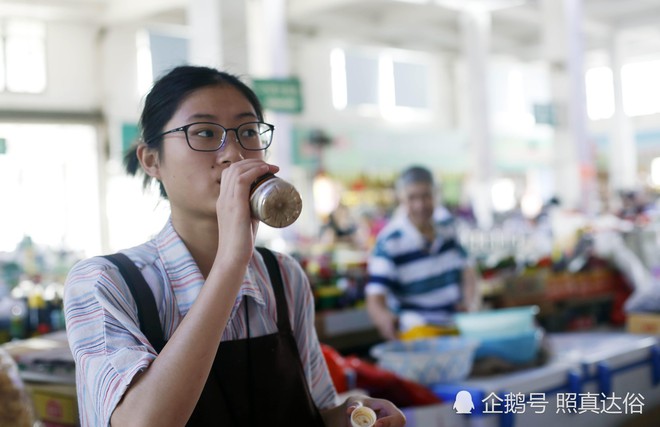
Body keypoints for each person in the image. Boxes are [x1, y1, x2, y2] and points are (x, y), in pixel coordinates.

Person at [63, 65, 406, 427]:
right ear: (152, 160)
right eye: (205, 132)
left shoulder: (283, 276)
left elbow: (315, 414)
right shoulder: (104, 283)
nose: (233, 154)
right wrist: (230, 262)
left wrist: (352, 418)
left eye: (247, 132)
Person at [365, 165, 478, 340]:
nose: (420, 205)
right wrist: (385, 320)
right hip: (417, 333)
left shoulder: (448, 228)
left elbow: (468, 272)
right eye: (412, 198)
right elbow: (375, 297)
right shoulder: (389, 241)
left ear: (436, 195)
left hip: (456, 327)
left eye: (426, 196)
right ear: (401, 199)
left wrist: (470, 303)